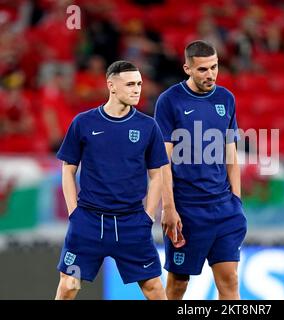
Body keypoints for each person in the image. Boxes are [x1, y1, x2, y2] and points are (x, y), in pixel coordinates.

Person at [54, 60, 169, 300]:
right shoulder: (84, 122)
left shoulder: (148, 126)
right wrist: (74, 212)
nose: (137, 89)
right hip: (89, 220)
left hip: (132, 222)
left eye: (138, 83)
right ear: (111, 86)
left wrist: (148, 215)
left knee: (154, 289)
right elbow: (68, 169)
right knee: (69, 285)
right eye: (129, 84)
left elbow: (157, 174)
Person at [154, 40, 247, 300]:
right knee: (177, 285)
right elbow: (163, 162)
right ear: (187, 69)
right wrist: (169, 208)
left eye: (214, 67)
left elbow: (231, 155)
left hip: (224, 210)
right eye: (203, 69)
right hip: (187, 212)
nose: (211, 75)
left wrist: (236, 201)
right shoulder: (169, 101)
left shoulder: (226, 98)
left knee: (229, 280)